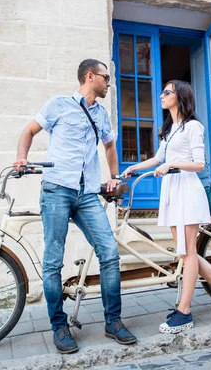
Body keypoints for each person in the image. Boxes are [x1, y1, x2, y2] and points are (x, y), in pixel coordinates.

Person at [13, 59, 136, 354]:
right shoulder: (58, 105)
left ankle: (113, 321)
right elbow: (28, 131)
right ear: (90, 76)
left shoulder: (102, 114)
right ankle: (59, 326)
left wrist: (115, 176)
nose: (110, 83)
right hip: (56, 190)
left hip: (88, 193)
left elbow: (109, 145)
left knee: (108, 251)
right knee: (54, 260)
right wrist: (21, 157)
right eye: (106, 77)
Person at [122, 80, 211, 334]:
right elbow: (158, 158)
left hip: (187, 190)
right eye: (163, 92)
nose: (161, 96)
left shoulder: (193, 127)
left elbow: (199, 164)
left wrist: (172, 165)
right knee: (186, 253)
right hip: (172, 191)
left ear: (181, 97)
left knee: (187, 254)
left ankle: (184, 312)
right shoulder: (170, 128)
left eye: (167, 92)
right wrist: (134, 167)